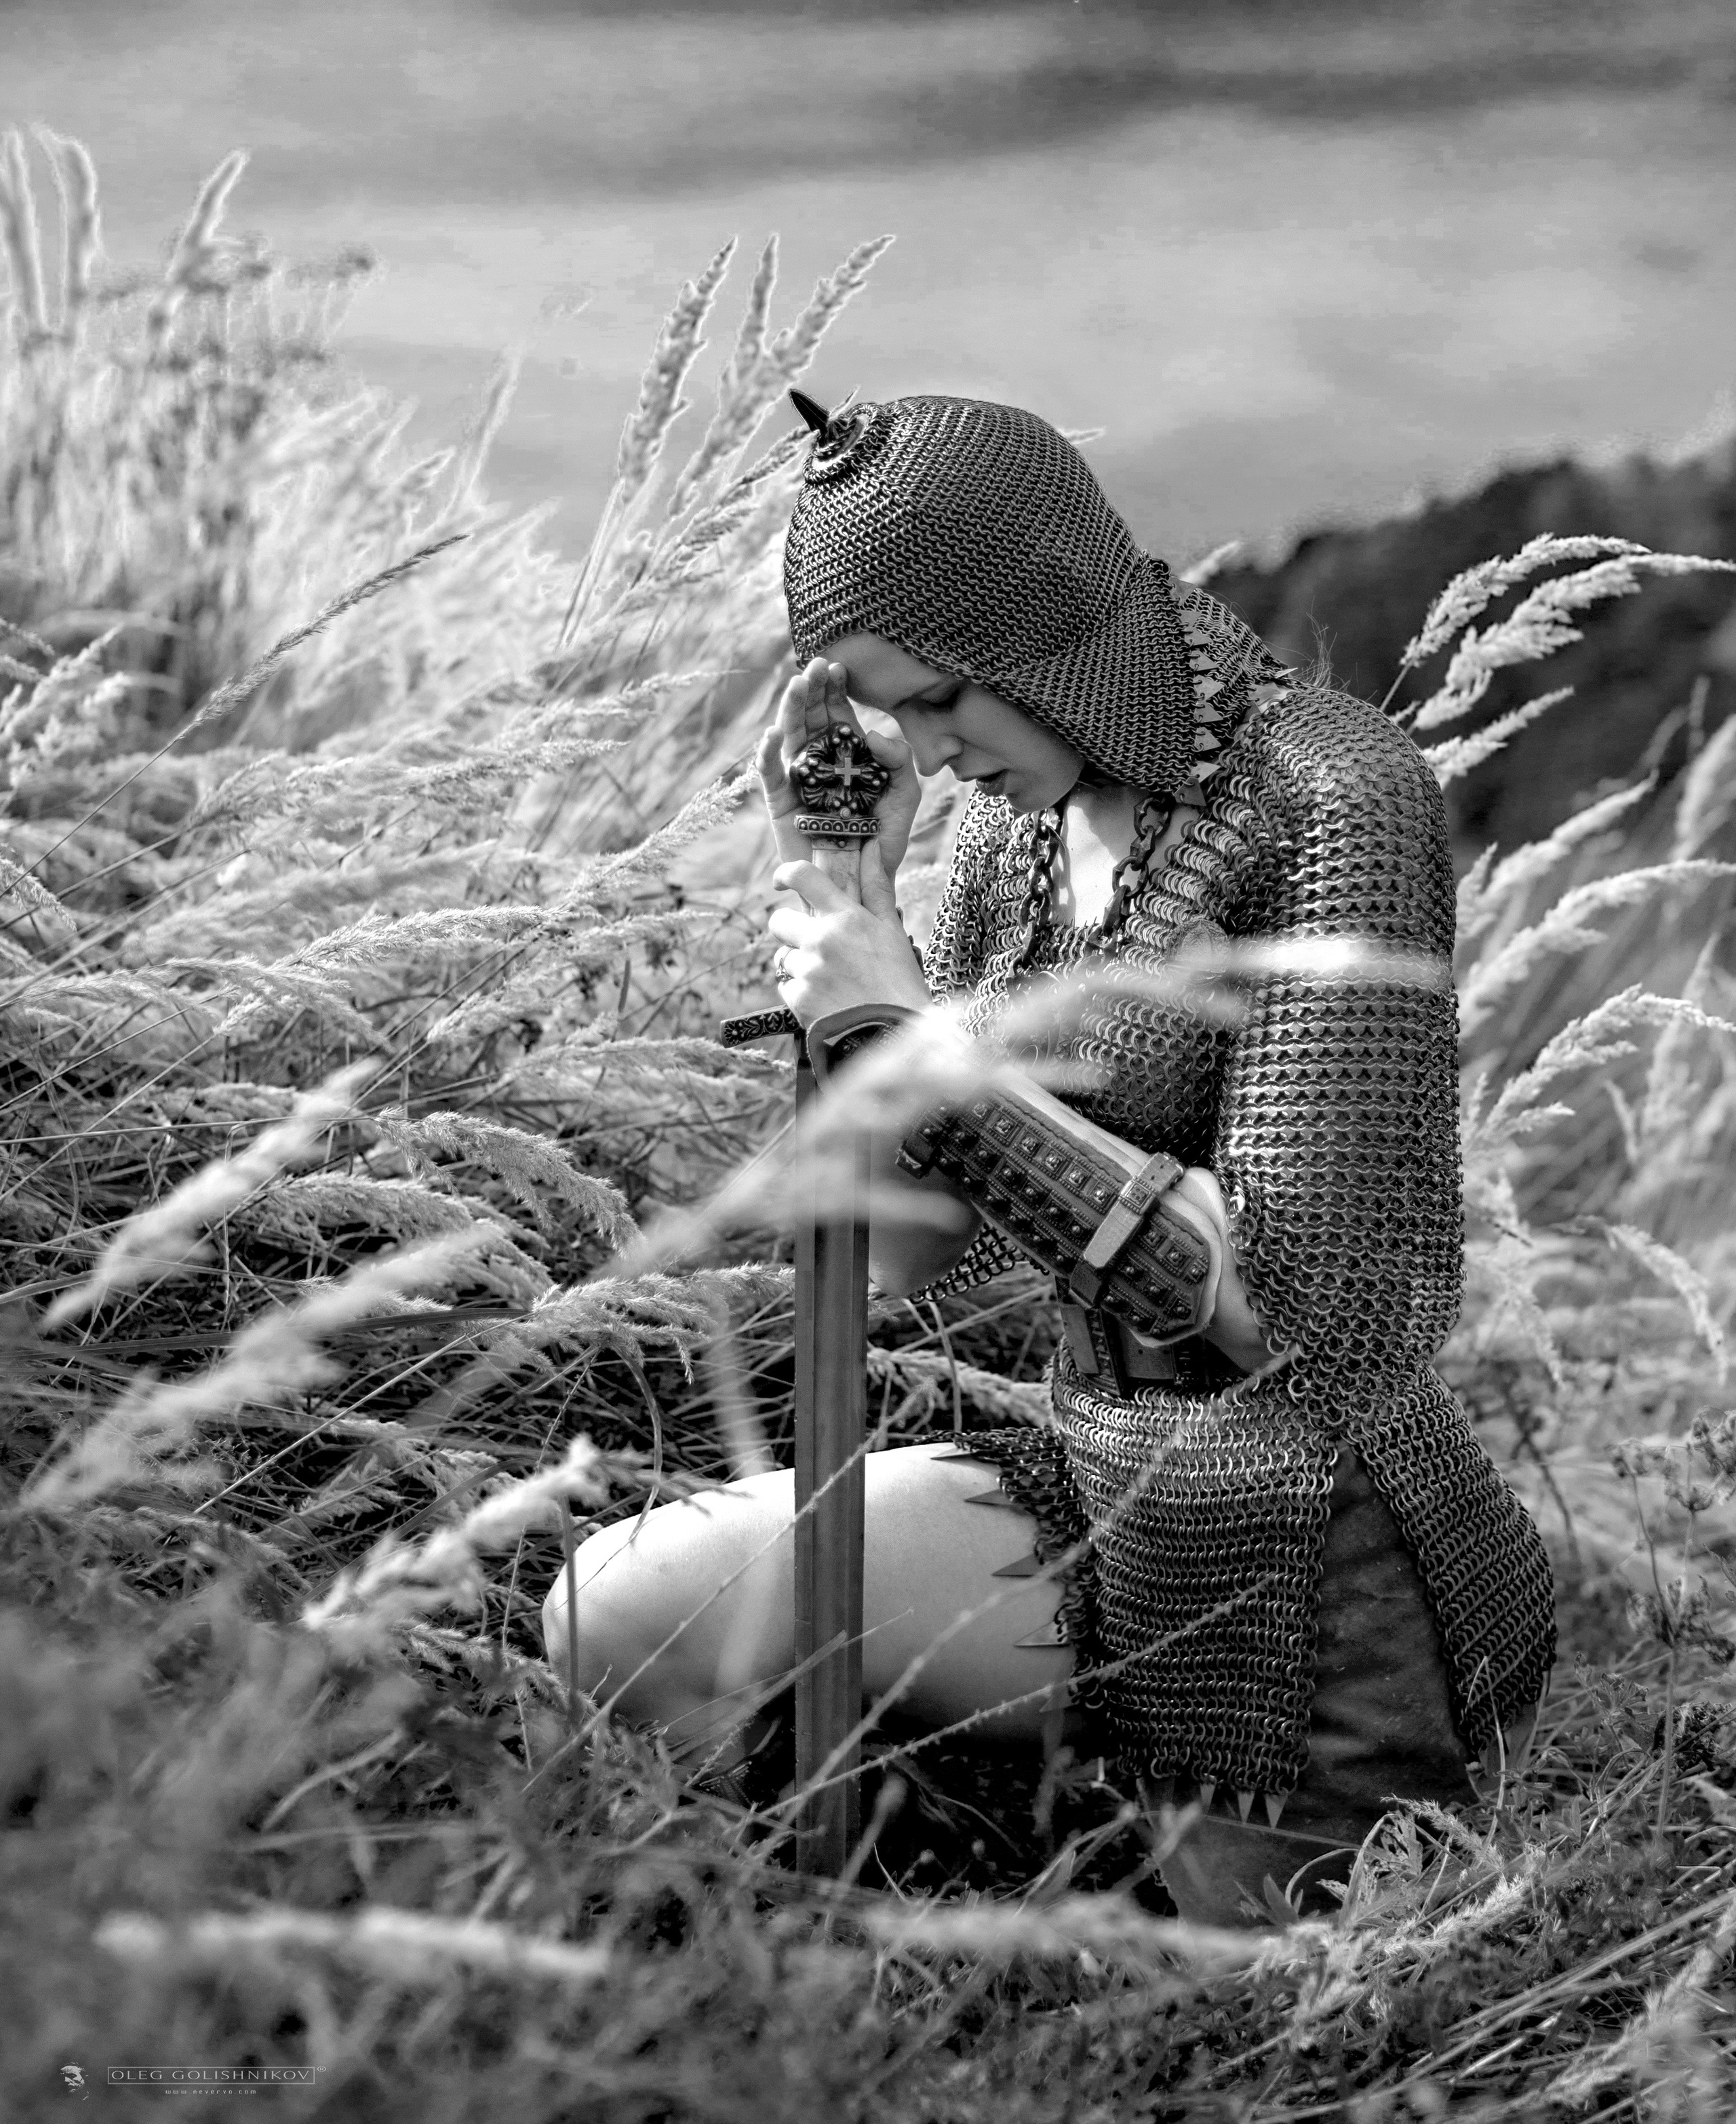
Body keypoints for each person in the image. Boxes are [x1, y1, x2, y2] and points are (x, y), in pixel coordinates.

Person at [543, 391, 1555, 1925]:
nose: (931, 756)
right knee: (614, 1608)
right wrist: (850, 922)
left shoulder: (1331, 801)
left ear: (1042, 628)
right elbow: (896, 1253)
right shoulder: (1008, 844)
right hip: (1094, 1483)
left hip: (1310, 1569)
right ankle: (735, 1969)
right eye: (893, 717)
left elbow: (1310, 1316)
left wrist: (919, 1040)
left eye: (943, 700)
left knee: (1261, 2013)